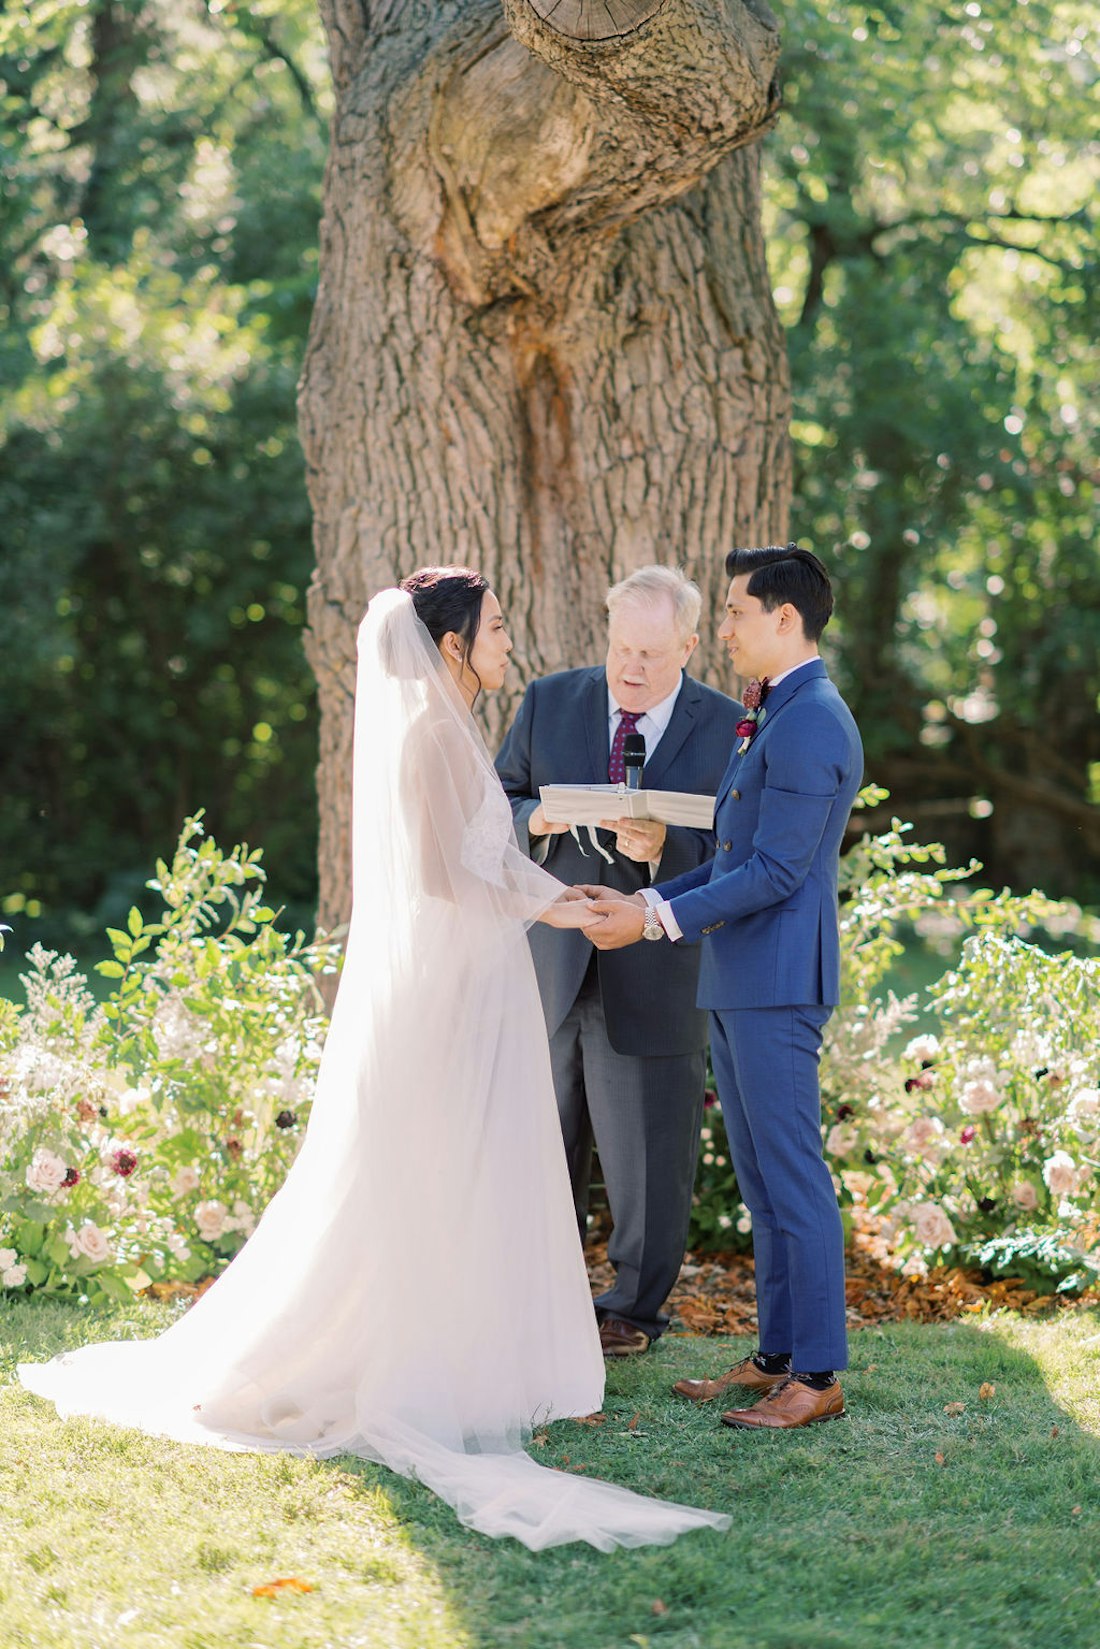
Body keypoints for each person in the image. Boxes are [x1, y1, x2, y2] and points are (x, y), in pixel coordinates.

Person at [18, 568, 729, 1551]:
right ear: (449, 645)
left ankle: (449, 1346)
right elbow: (448, 876)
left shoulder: (450, 723)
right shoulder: (436, 734)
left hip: (474, 977)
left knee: (448, 1175)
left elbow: (484, 861)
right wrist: (558, 903)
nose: (509, 639)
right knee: (424, 1173)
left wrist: (566, 902)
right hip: (451, 988)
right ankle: (398, 1359)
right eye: (494, 626)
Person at [583, 545, 863, 1429]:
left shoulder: (813, 717)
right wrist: (644, 894)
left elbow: (776, 870)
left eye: (738, 613)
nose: (729, 629)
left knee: (793, 1178)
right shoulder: (775, 712)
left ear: (786, 619)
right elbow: (733, 856)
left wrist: (654, 918)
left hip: (778, 982)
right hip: (740, 977)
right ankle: (776, 1354)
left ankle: (816, 1375)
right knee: (760, 1179)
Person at [495, 568, 742, 1356]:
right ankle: (545, 1296)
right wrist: (543, 814)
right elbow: (494, 806)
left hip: (659, 970)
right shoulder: (549, 700)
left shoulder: (730, 725)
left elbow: (740, 853)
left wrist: (665, 845)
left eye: (650, 652)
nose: (630, 667)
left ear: (690, 646)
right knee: (543, 1138)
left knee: (650, 1154)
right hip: (553, 963)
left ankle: (632, 1311)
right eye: (620, 647)